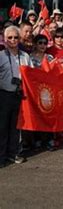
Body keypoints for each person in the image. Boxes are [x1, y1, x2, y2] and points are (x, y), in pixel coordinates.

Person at [0, 26, 33, 167]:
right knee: (2, 127)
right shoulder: (0, 56)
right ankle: (1, 157)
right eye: (10, 38)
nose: (13, 40)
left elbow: (32, 76)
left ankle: (13, 154)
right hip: (3, 95)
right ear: (5, 40)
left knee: (16, 127)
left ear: (20, 39)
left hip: (20, 96)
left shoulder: (25, 56)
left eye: (15, 37)